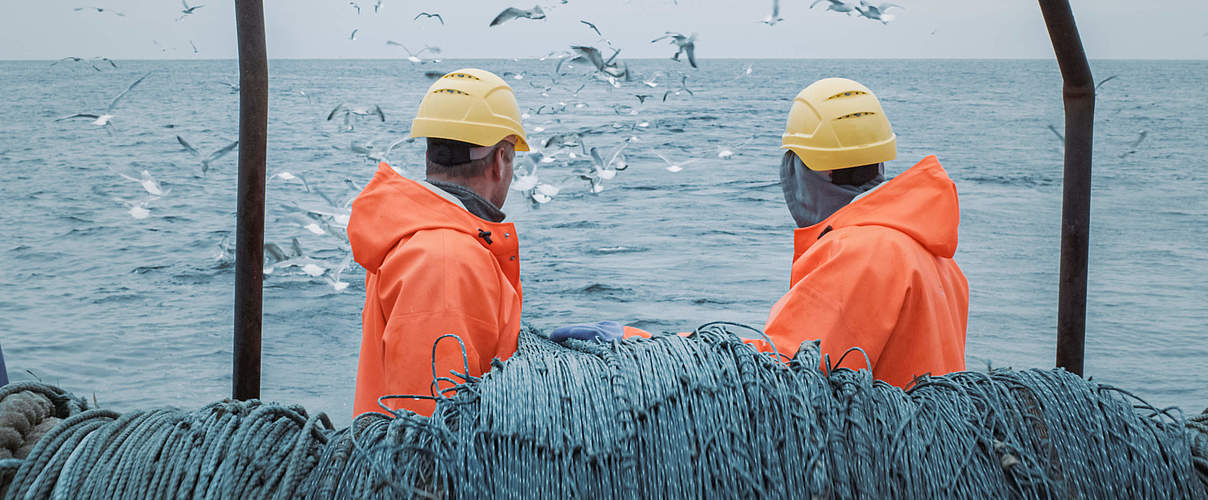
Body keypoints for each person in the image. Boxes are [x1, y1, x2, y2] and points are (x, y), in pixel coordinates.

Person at [763, 77, 969, 388]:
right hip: (930, 432)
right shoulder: (935, 256)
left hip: (881, 436)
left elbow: (784, 372)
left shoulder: (856, 254)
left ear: (818, 170)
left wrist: (671, 350)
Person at [348, 68, 528, 417]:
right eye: (512, 157)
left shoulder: (423, 235)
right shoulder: (446, 260)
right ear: (500, 161)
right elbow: (428, 427)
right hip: (420, 469)